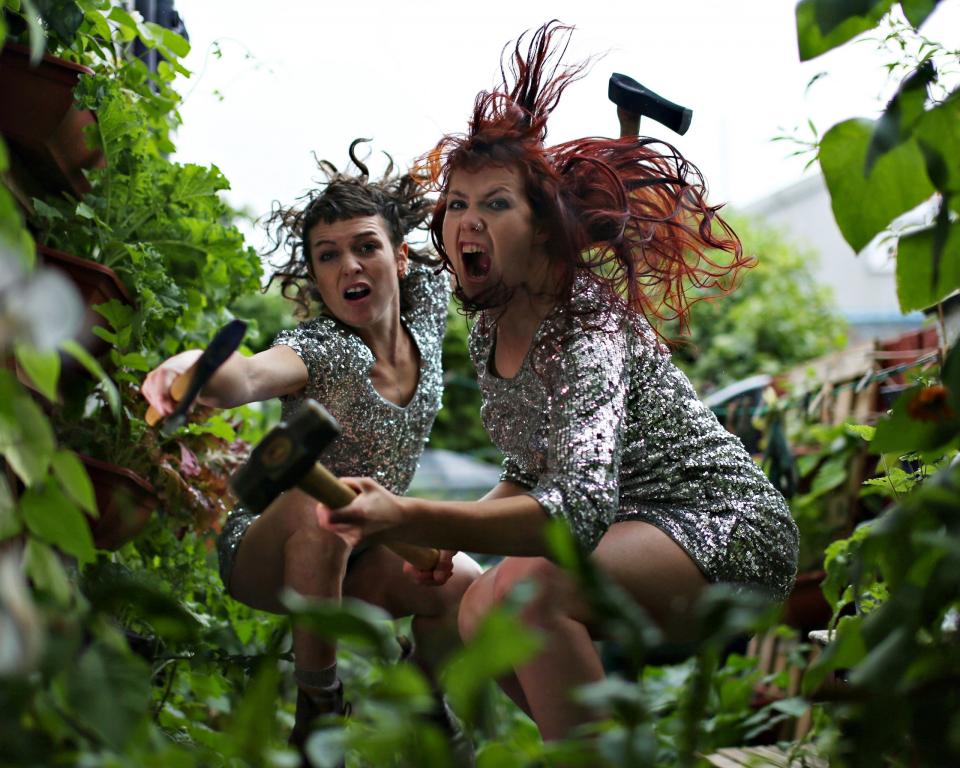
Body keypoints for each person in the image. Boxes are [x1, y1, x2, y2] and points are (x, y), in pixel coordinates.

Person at [319, 24, 800, 742]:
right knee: (481, 605)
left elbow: (569, 511)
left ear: (543, 228)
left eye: (495, 204)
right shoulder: (490, 328)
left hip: (724, 531)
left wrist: (411, 516)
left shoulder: (588, 331)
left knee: (521, 594)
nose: (466, 222)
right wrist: (445, 545)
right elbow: (529, 470)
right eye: (456, 205)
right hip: (629, 532)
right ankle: (597, 750)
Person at [140, 141, 481, 756]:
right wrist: (186, 371)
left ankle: (424, 705)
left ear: (400, 259)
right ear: (317, 276)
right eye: (328, 256)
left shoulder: (427, 309)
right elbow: (245, 375)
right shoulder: (322, 349)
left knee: (463, 584)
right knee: (322, 511)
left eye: (365, 247)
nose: (349, 265)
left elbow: (474, 229)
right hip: (273, 550)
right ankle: (319, 710)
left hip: (368, 547)